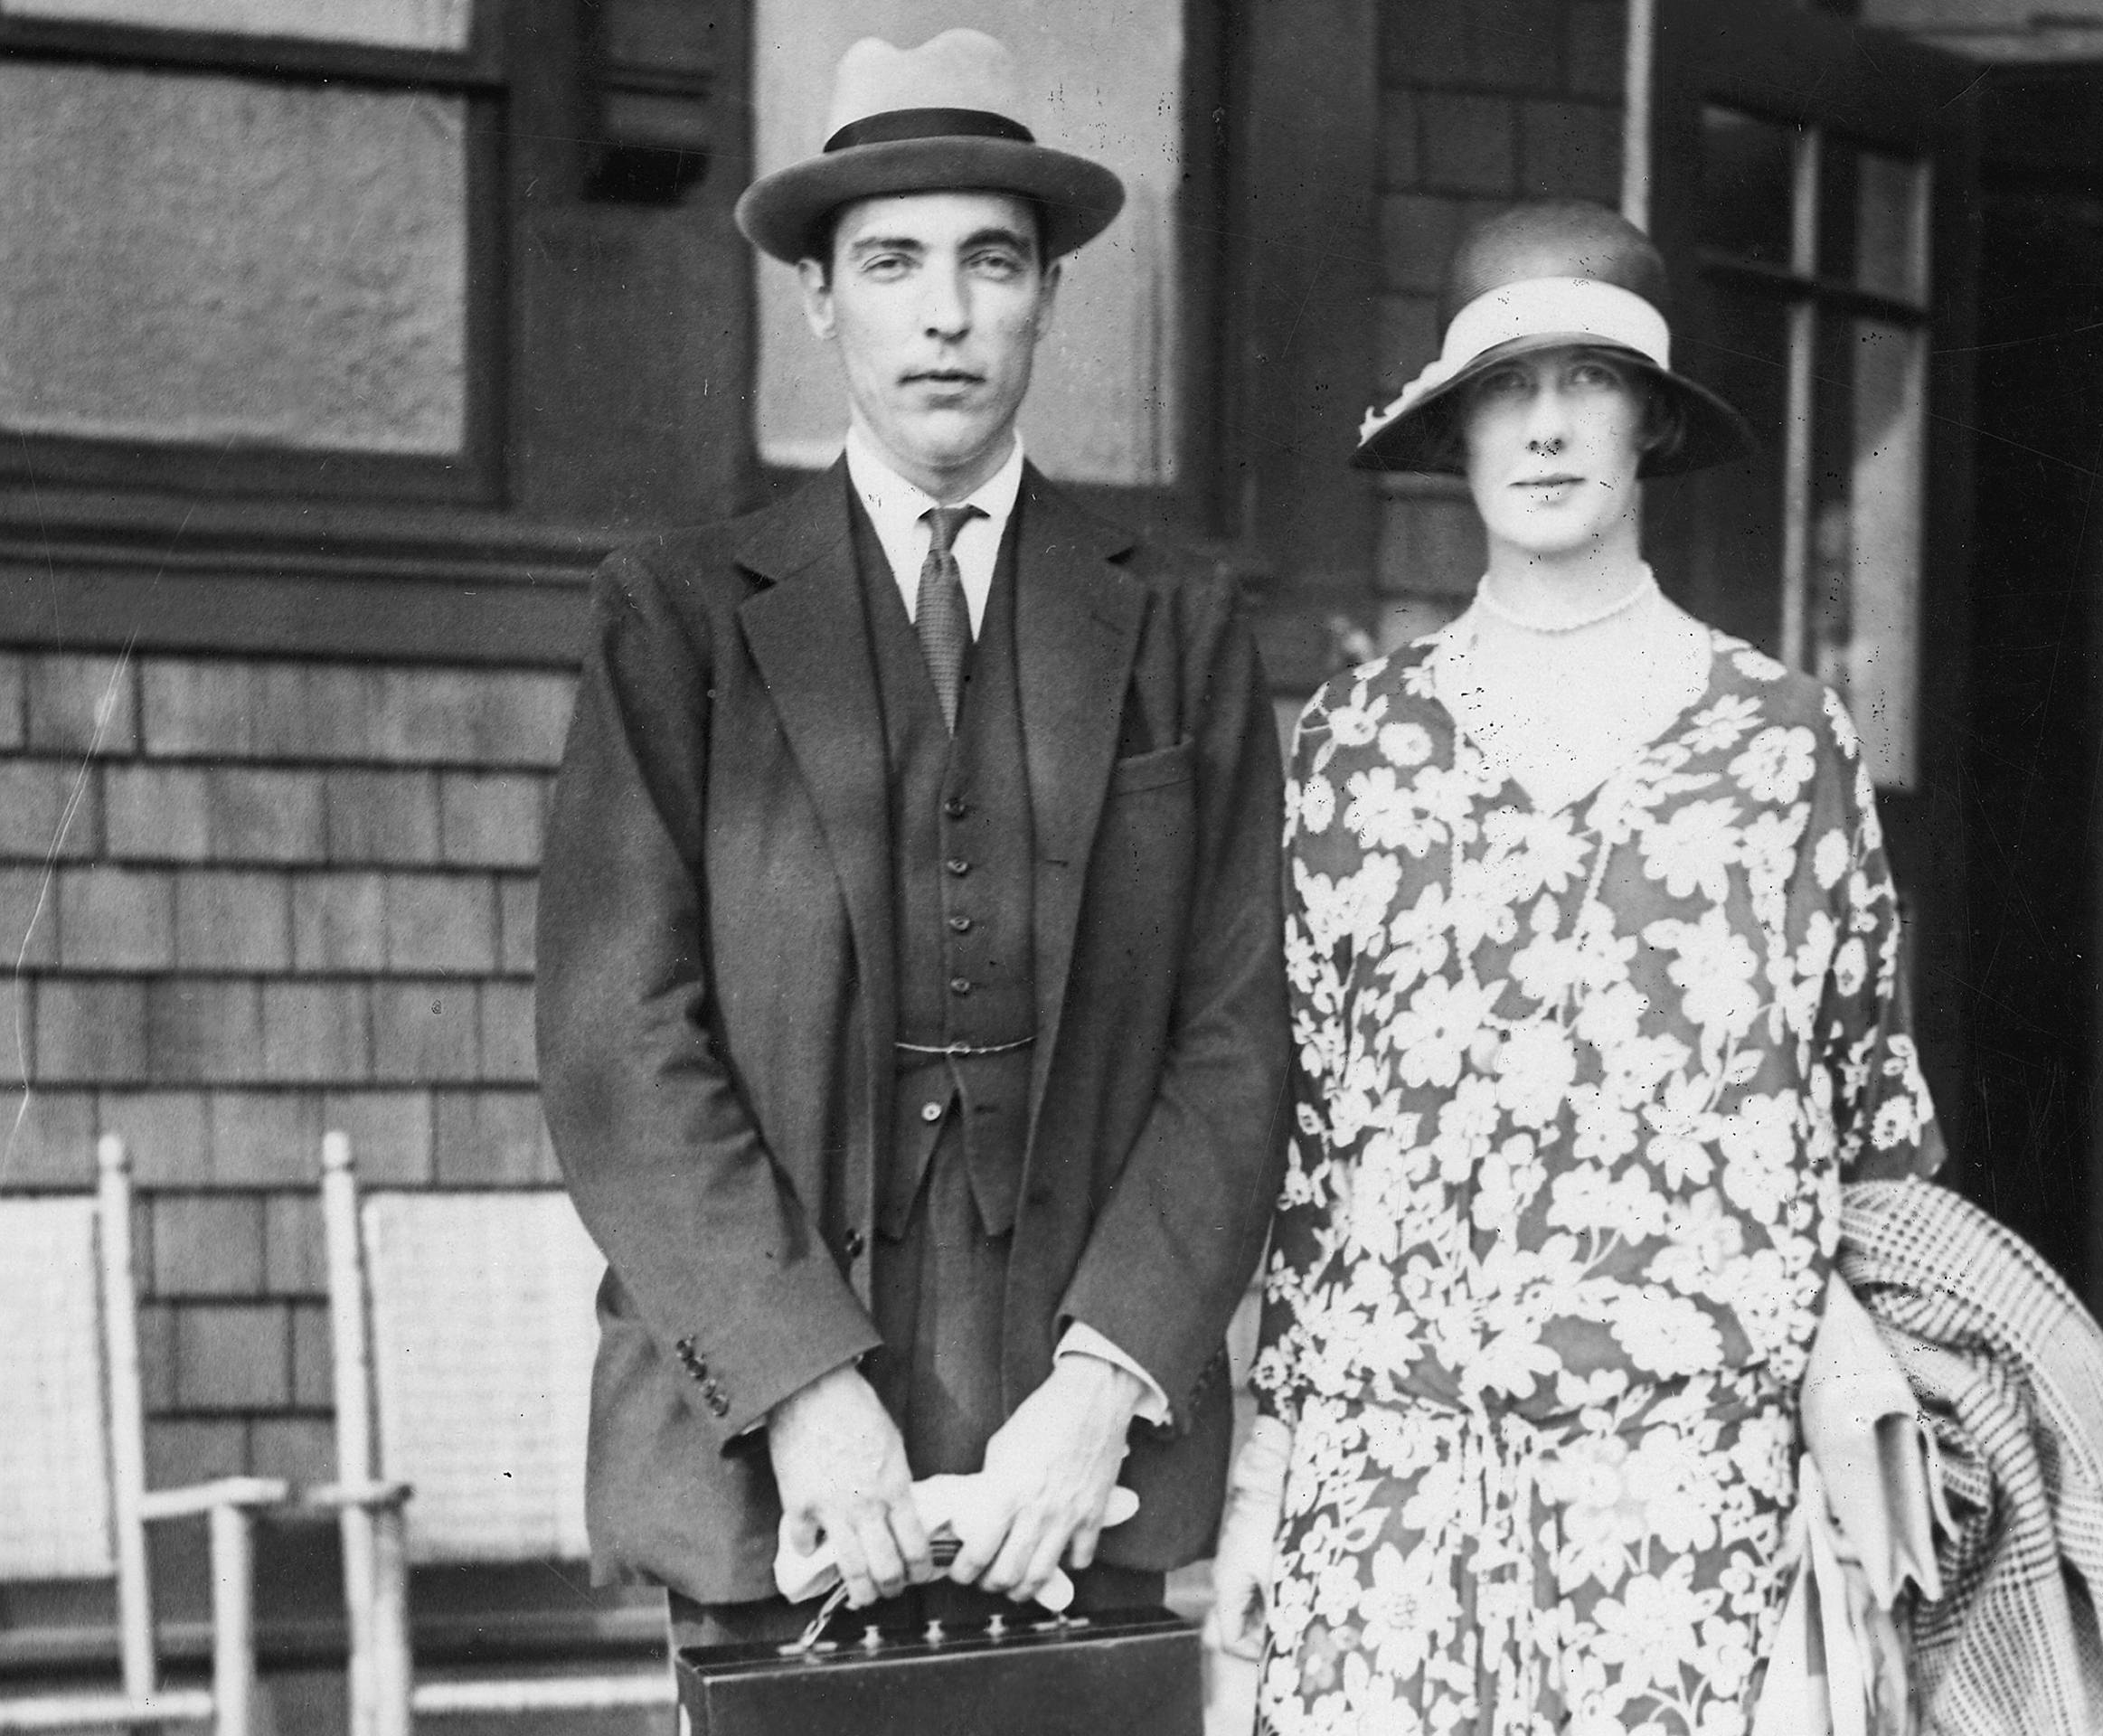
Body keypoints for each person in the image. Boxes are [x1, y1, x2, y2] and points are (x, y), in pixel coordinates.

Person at [535, 28, 1288, 1653]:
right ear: (819, 297)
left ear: (1049, 294)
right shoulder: (678, 621)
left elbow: (1236, 1040)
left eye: (990, 262)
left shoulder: (1176, 627)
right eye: (892, 262)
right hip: (775, 1482)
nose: (945, 312)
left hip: (1077, 1485)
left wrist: (1100, 1393)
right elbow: (620, 1043)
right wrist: (803, 1391)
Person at [1212, 201, 1944, 1735]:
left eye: (1589, 381)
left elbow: (1871, 1131)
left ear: (1652, 420)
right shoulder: (1356, 745)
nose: (1546, 426)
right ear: (1458, 428)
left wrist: (1849, 1422)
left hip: (1689, 1498)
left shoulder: (1782, 742)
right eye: (1507, 388)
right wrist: (1269, 1464)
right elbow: (1312, 1148)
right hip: (1395, 1487)